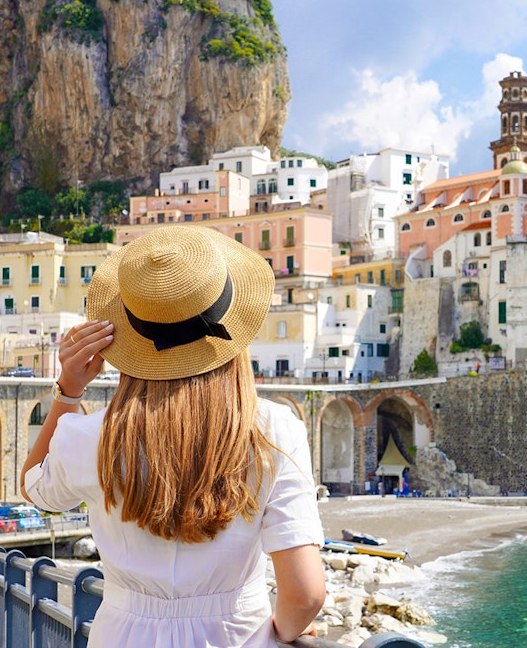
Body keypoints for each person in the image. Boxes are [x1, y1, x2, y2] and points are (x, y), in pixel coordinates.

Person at [20, 227, 325, 647]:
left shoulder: (91, 436)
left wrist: (68, 390)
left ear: (127, 336)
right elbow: (306, 594)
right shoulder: (273, 430)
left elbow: (34, 486)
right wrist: (286, 631)